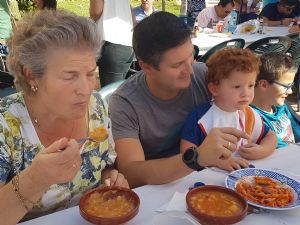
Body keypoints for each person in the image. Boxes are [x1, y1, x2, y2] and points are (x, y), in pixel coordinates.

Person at [0, 10, 129, 224]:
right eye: (70, 76)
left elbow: (105, 165)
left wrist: (110, 177)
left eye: (90, 74)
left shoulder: (96, 106)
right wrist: (35, 179)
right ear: (31, 75)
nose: (86, 89)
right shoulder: (6, 125)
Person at [109, 11, 250, 188]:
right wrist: (195, 158)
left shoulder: (203, 76)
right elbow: (131, 172)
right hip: (158, 188)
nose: (190, 71)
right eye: (176, 65)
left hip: (209, 177)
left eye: (191, 56)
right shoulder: (125, 103)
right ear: (145, 67)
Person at [180, 48, 277, 171]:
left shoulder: (249, 114)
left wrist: (262, 150)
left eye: (251, 85)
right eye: (237, 87)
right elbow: (185, 154)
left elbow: (271, 136)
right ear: (214, 89)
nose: (245, 93)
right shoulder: (200, 117)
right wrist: (218, 162)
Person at [251, 52, 300, 148]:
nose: (290, 91)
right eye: (287, 86)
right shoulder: (252, 118)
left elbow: (297, 131)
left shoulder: (280, 106)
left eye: (291, 85)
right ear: (263, 85)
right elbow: (278, 146)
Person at [90, 0, 135, 87]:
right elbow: (133, 20)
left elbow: (96, 12)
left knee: (111, 96)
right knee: (120, 92)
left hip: (112, 44)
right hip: (128, 45)